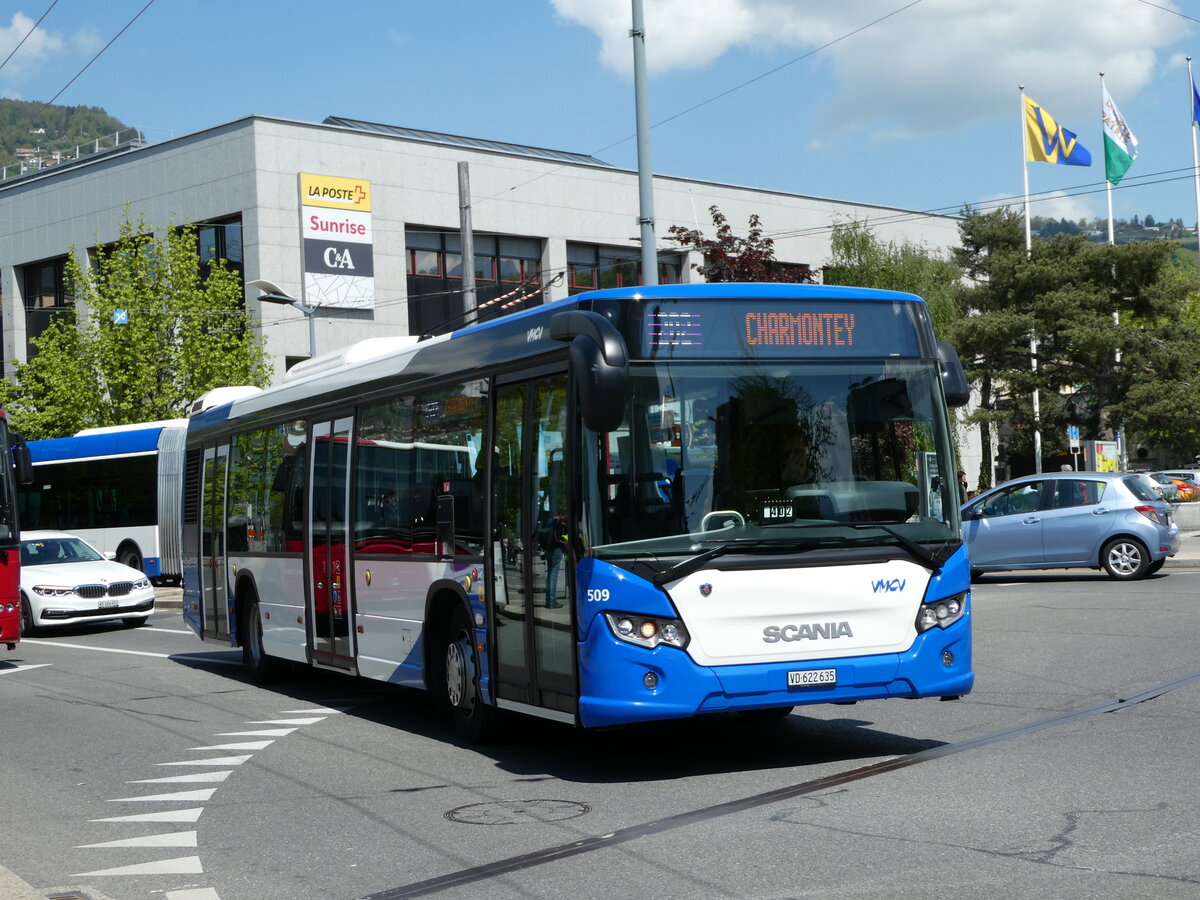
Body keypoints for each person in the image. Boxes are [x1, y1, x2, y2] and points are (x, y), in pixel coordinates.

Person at [540, 511, 568, 608]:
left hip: (548, 549)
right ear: (561, 515)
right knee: (553, 575)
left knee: (550, 574)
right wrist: (566, 542)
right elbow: (561, 537)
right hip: (556, 549)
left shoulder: (548, 522)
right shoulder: (558, 523)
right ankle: (551, 602)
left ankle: (549, 599)